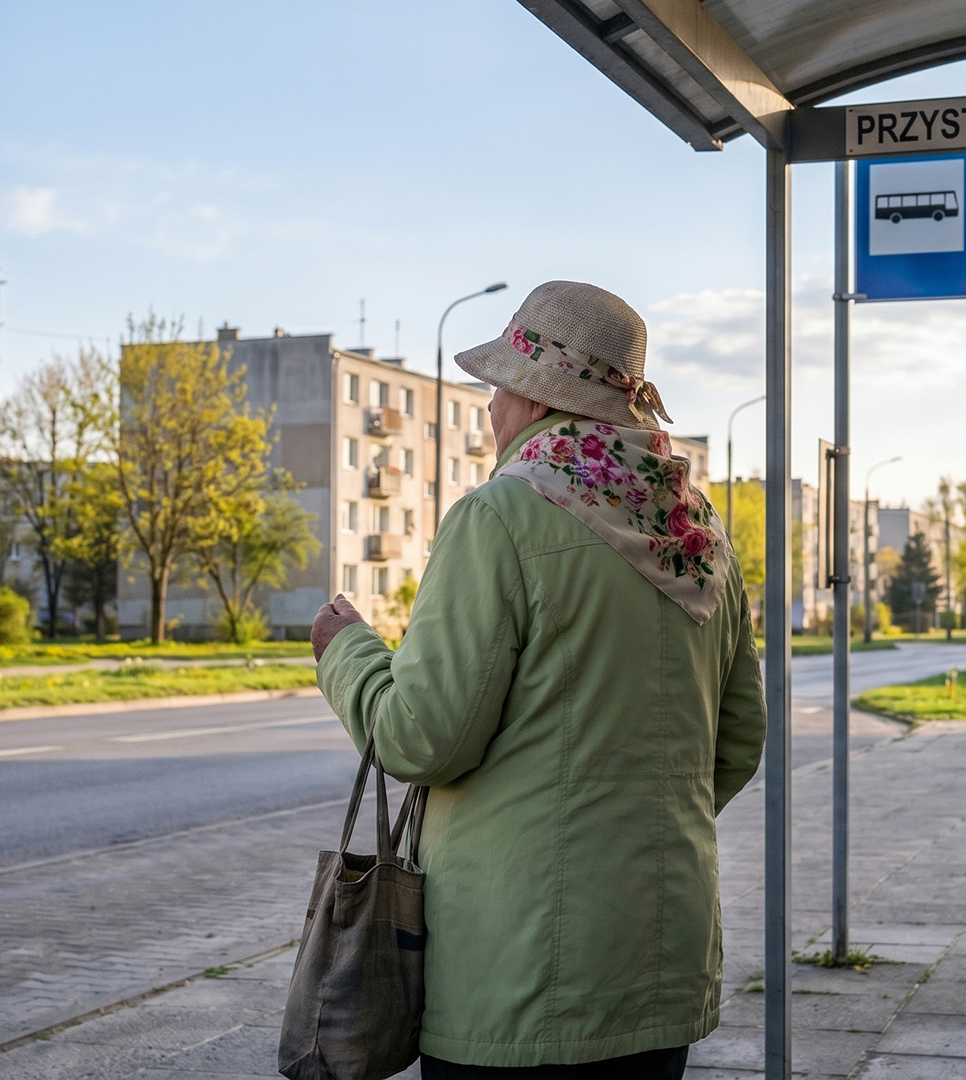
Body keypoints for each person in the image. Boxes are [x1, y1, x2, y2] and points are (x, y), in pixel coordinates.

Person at [311, 280, 765, 1078]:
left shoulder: (500, 516)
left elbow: (421, 739)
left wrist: (346, 652)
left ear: (535, 397)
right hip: (663, 959)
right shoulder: (698, 536)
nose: (490, 406)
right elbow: (737, 743)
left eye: (498, 386)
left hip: (516, 968)